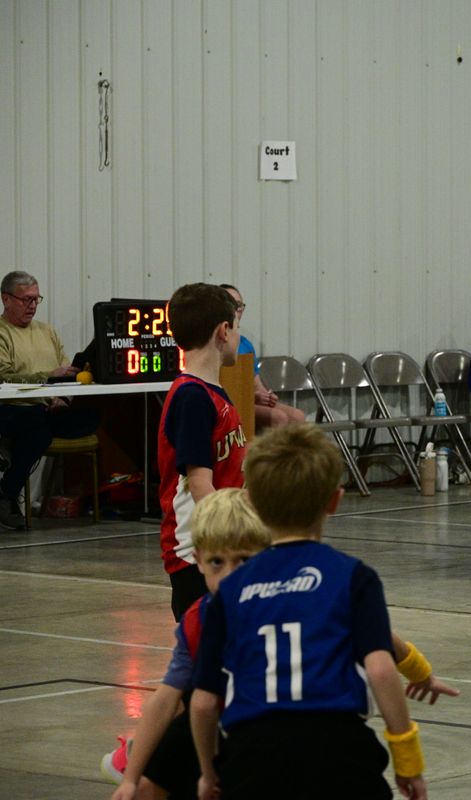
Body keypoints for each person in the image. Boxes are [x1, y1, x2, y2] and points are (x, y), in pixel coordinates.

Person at [191, 424, 430, 800]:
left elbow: (203, 702)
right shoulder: (354, 577)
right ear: (335, 500)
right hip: (337, 747)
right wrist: (408, 760)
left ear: (252, 503)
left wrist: (208, 773)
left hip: (254, 752)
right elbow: (381, 670)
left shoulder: (230, 591)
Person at [103, 488, 272, 799]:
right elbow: (166, 698)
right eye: (217, 562)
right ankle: (134, 763)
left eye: (244, 561)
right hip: (211, 724)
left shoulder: (281, 608)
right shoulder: (197, 619)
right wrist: (131, 779)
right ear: (198, 561)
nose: (229, 575)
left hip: (266, 730)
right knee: (142, 790)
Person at [158, 283, 248, 621]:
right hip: (199, 557)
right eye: (236, 327)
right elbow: (199, 483)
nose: (239, 335)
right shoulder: (192, 397)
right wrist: (236, 534)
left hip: (220, 550)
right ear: (223, 331)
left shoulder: (211, 391)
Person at [0, 270, 99, 529]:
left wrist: (61, 396)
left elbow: (65, 370)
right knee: (37, 428)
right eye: (26, 299)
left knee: (90, 418)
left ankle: (6, 491)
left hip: (45, 409)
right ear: (6, 299)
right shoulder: (2, 333)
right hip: (13, 408)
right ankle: (7, 495)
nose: (32, 305)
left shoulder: (47, 332)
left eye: (36, 299)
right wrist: (47, 378)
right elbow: (4, 377)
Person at [220, 284, 306, 430]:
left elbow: (256, 383)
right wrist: (252, 397)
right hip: (229, 402)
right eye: (232, 304)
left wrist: (267, 396)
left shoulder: (245, 344)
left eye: (239, 305)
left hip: (248, 399)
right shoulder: (217, 343)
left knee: (298, 416)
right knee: (278, 417)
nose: (237, 310)